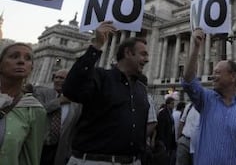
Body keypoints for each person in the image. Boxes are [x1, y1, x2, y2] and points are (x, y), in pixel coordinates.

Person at [63, 21, 150, 165]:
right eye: (143, 54)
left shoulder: (140, 89)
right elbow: (71, 90)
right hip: (94, 160)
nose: (147, 59)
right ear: (128, 53)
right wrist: (96, 46)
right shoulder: (100, 77)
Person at [182, 28, 236, 165]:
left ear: (232, 77)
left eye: (217, 73)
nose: (213, 76)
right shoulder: (206, 100)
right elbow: (188, 82)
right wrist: (195, 47)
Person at [0, 43, 47, 165]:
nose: (21, 61)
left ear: (31, 68)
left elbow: (31, 158)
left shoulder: (34, 110)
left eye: (27, 58)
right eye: (14, 56)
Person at [34, 69, 82, 165]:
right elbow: (38, 112)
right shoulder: (41, 92)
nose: (57, 80)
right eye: (56, 77)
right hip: (39, 145)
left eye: (62, 78)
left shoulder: (77, 102)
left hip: (60, 150)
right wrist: (59, 101)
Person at [156, 97, 177, 165]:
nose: (173, 105)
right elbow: (161, 128)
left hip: (170, 138)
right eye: (172, 104)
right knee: (164, 158)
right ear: (167, 104)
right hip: (165, 139)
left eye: (174, 104)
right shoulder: (163, 113)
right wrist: (162, 140)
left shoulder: (170, 112)